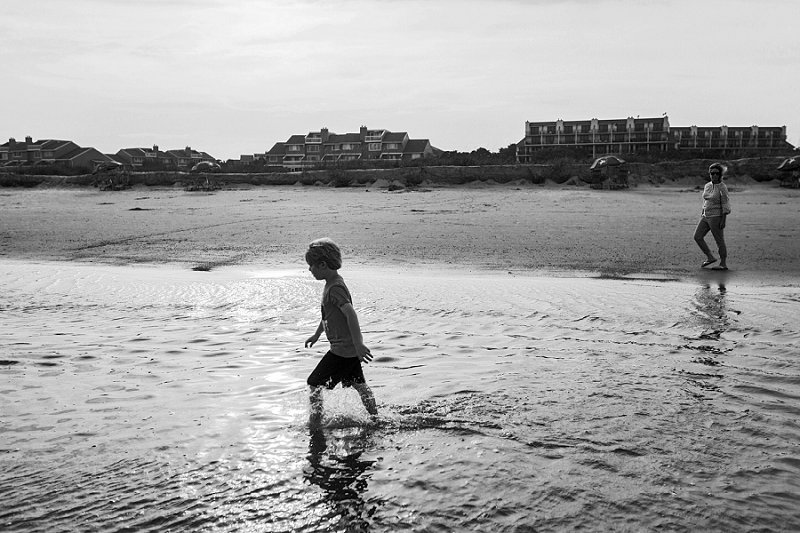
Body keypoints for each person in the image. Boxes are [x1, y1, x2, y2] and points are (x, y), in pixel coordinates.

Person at [304, 238, 378, 425]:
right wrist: (317, 333)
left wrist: (359, 344)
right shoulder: (333, 283)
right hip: (348, 350)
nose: (309, 270)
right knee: (360, 386)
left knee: (314, 383)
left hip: (341, 352)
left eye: (311, 266)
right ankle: (376, 418)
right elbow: (329, 316)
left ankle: (315, 423)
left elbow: (350, 314)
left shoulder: (335, 288)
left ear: (322, 264)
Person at [694, 163, 731, 270]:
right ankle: (710, 257)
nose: (714, 175)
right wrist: (702, 212)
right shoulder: (707, 185)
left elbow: (725, 204)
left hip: (716, 217)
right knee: (697, 237)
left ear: (720, 174)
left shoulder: (722, 187)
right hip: (705, 216)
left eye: (716, 173)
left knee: (719, 241)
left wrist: (723, 220)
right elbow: (705, 200)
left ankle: (723, 264)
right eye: (712, 173)